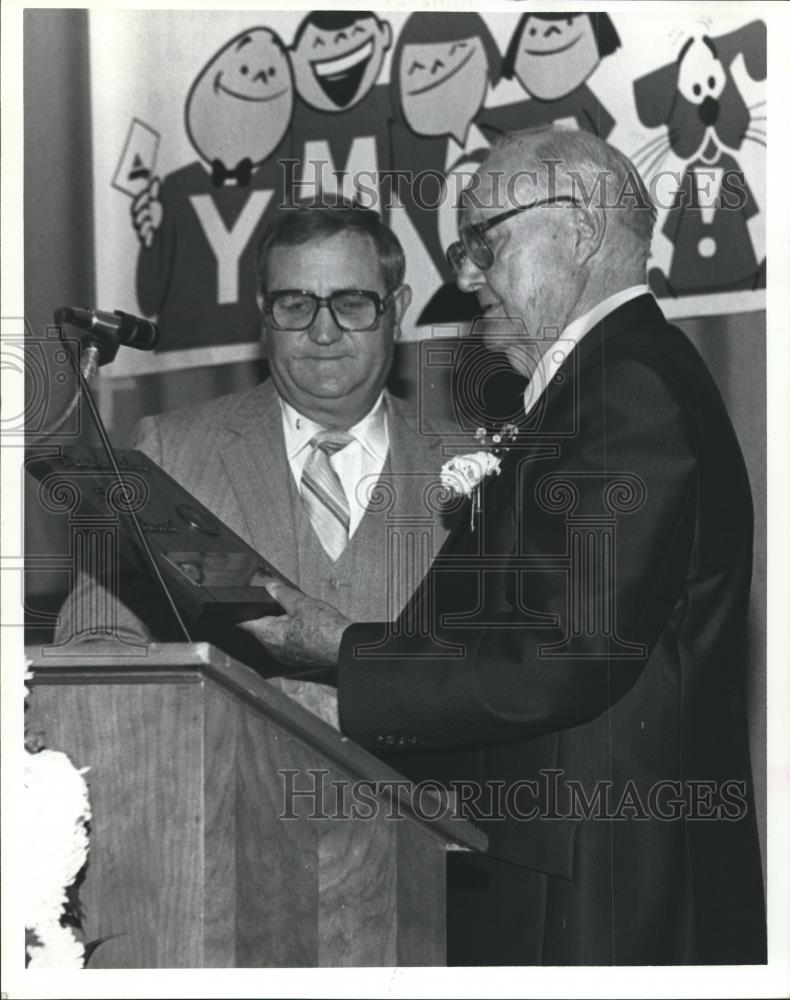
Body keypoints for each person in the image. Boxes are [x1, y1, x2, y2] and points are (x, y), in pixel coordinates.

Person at [240, 127, 767, 965]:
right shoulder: (615, 379)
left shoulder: (626, 388)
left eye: (486, 241)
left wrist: (343, 664)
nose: (465, 274)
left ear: (583, 230)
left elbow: (562, 656)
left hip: (599, 890)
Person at [56, 201, 454, 721]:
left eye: (352, 303)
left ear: (397, 309)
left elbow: (511, 670)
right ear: (264, 311)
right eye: (295, 305)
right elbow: (97, 641)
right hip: (223, 791)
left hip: (421, 798)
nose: (323, 332)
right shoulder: (170, 453)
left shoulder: (480, 464)